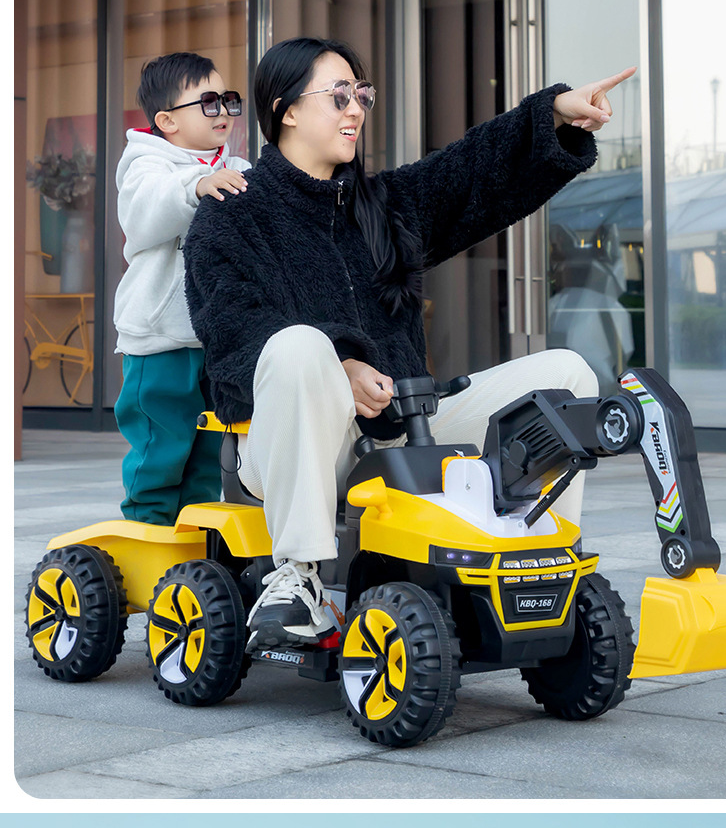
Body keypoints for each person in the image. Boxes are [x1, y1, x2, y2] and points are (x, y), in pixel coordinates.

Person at [184, 37, 637, 647]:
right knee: (297, 346)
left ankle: (546, 558)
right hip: (297, 445)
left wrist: (553, 114)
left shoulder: (385, 205)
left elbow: (469, 170)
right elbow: (231, 332)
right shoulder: (232, 214)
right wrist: (341, 365)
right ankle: (298, 577)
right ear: (285, 109)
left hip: (404, 431)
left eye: (361, 95)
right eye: (338, 96)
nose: (355, 109)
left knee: (568, 374)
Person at [113, 52, 251, 525]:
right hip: (159, 339)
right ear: (167, 120)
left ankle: (194, 528)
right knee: (160, 442)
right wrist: (196, 186)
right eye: (208, 103)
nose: (223, 112)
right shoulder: (145, 164)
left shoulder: (238, 166)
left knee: (210, 444)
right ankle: (147, 525)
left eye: (228, 101)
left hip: (212, 336)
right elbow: (143, 214)